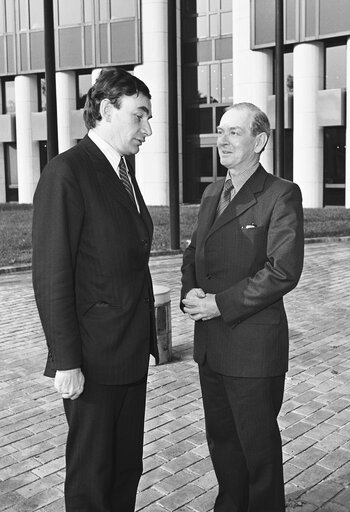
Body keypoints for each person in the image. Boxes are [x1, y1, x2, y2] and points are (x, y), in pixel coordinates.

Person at [32, 68, 159, 512]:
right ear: (106, 110)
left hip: (128, 352)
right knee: (92, 477)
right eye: (140, 115)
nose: (147, 128)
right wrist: (67, 361)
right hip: (91, 360)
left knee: (126, 468)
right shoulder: (67, 172)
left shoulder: (123, 170)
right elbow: (51, 276)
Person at [181, 102, 304, 512]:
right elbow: (193, 254)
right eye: (220, 130)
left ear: (260, 140)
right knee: (222, 443)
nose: (222, 139)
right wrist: (190, 294)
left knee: (258, 450)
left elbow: (282, 270)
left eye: (234, 131)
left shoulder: (280, 194)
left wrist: (220, 304)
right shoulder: (212, 192)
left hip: (253, 348)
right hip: (211, 348)